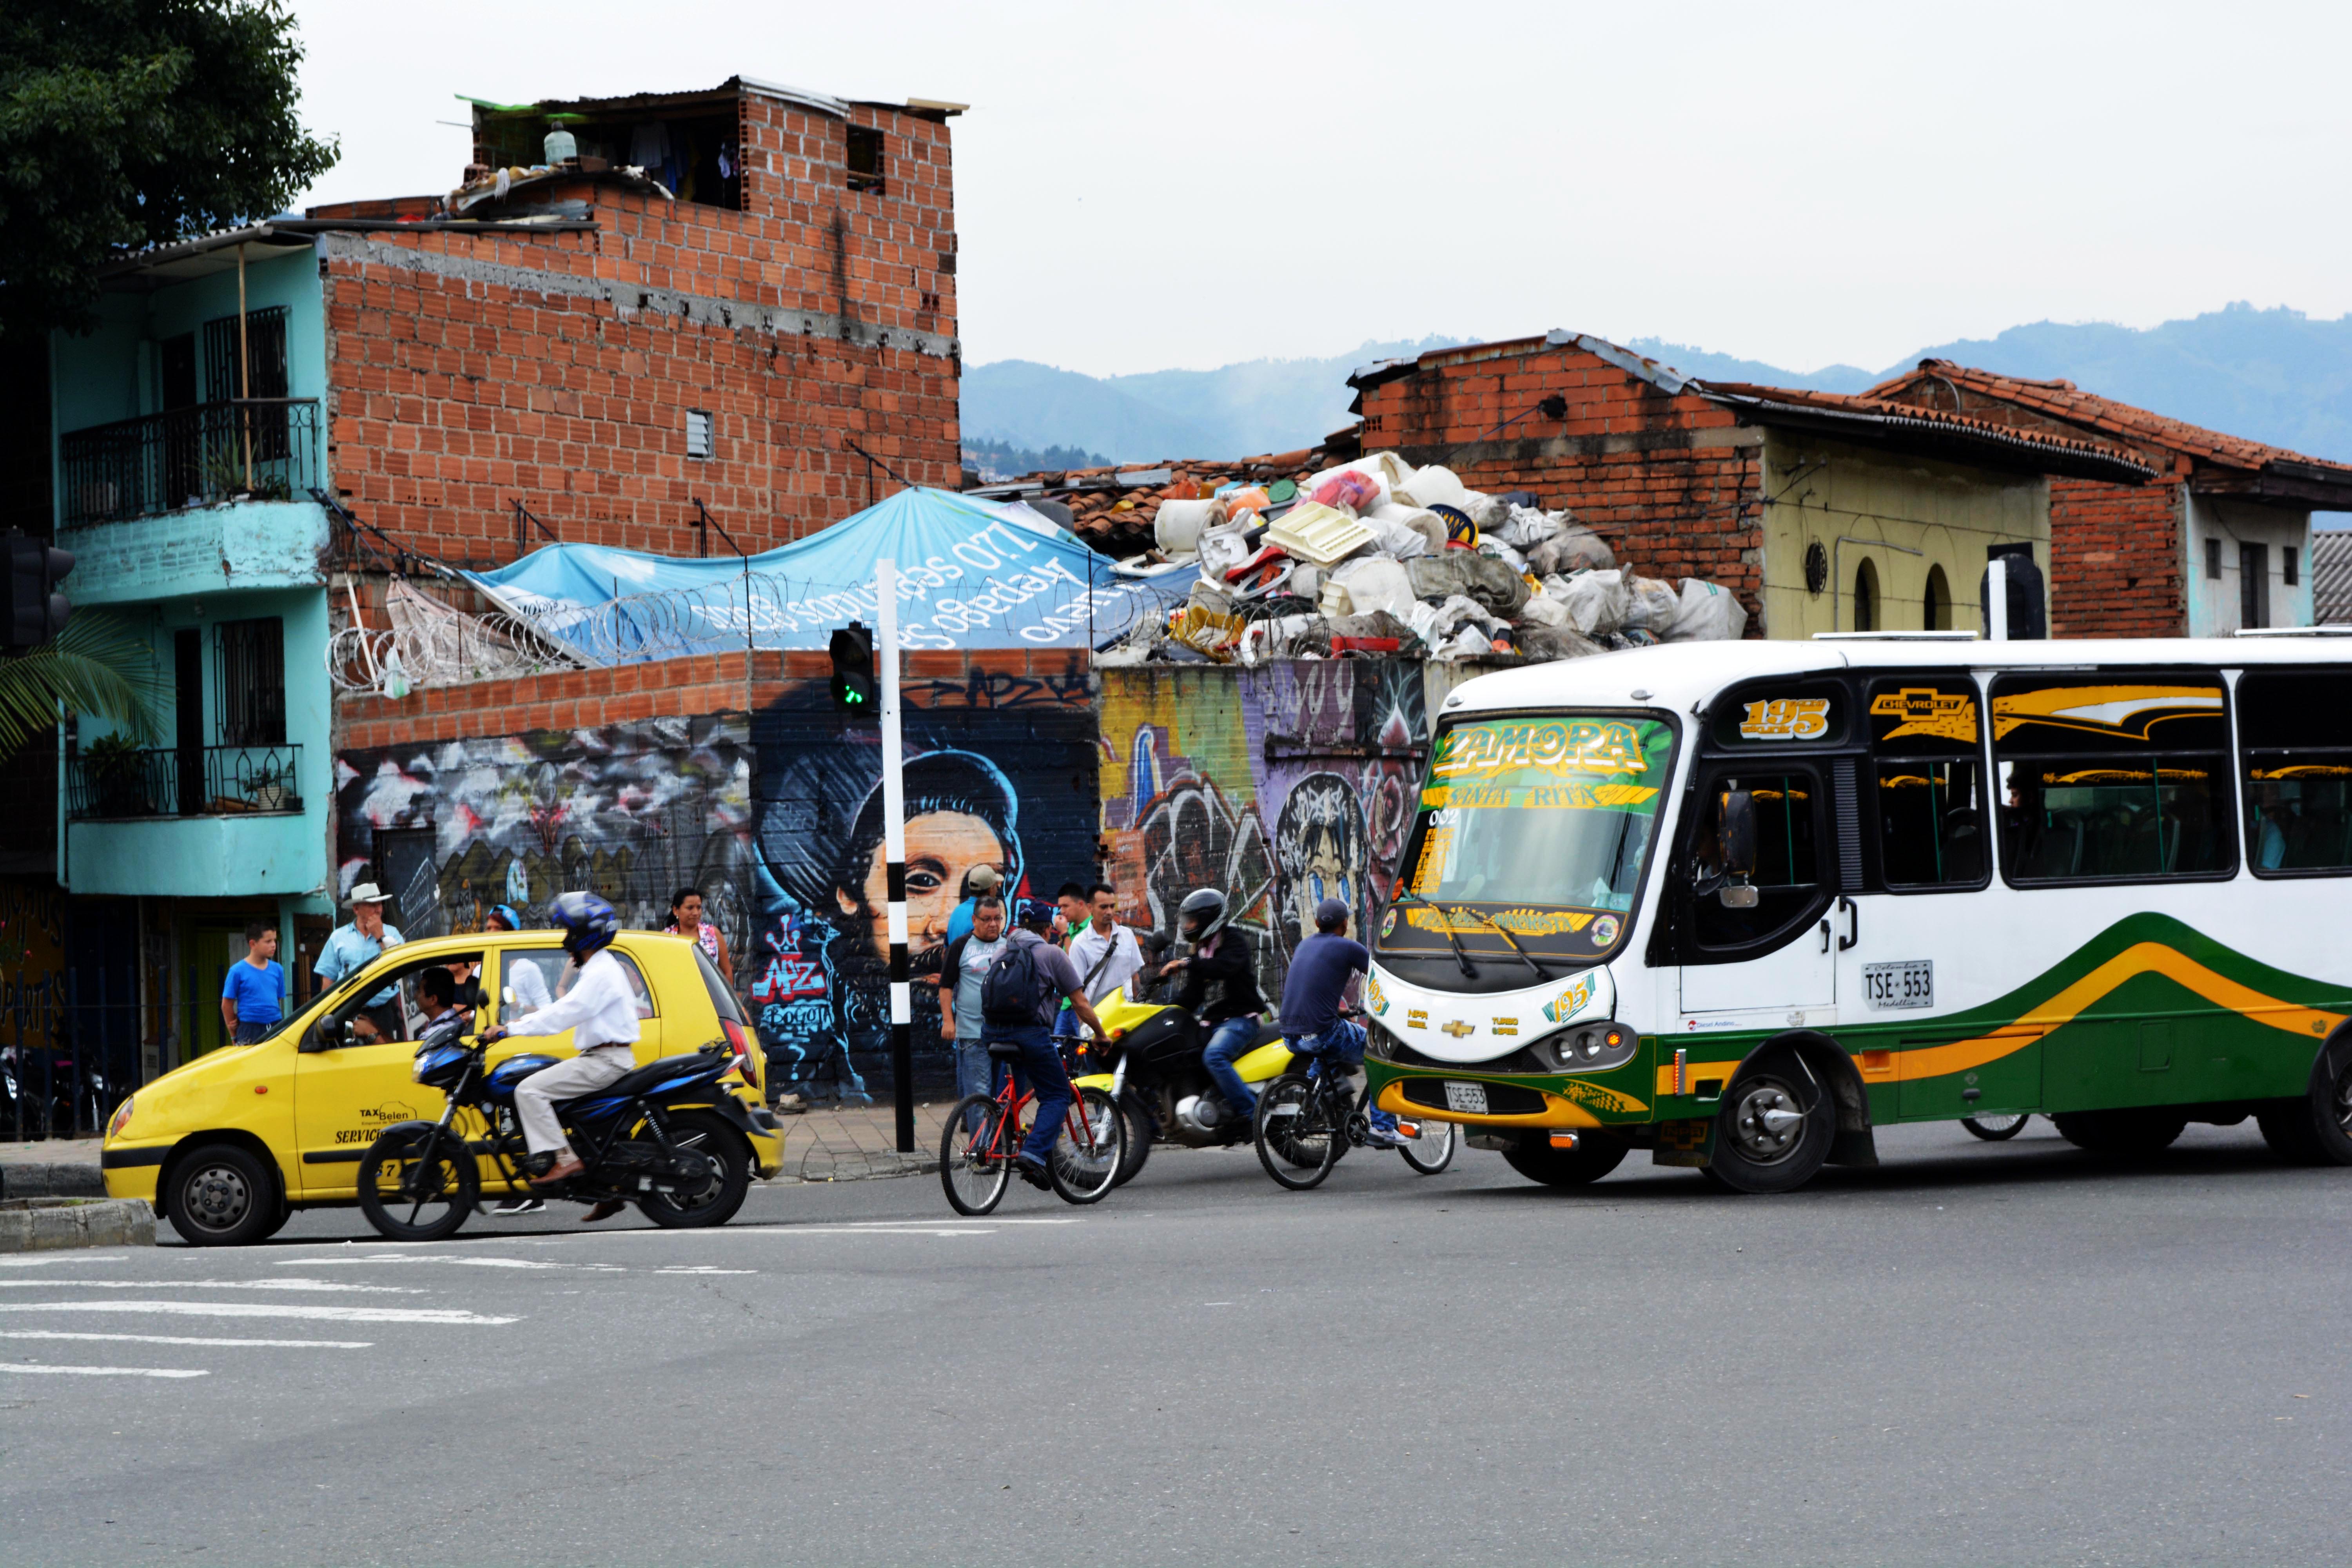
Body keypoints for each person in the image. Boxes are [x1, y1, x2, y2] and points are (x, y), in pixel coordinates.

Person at [478, 891, 638, 1223]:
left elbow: (562, 1014)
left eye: (569, 933)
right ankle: (605, 1188)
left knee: (529, 1090)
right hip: (604, 1057)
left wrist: (510, 1029)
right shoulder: (599, 967)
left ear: (583, 935)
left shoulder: (600, 972)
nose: (565, 941)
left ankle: (564, 1160)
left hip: (605, 1061)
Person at [982, 898, 1106, 1189]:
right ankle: (1033, 1153)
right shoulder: (1052, 954)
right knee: (1057, 1094)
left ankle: (997, 1140)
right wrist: (1100, 1035)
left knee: (1010, 1092)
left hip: (992, 1033)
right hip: (1029, 1034)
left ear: (1019, 927)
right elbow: (1080, 1003)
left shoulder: (1001, 951)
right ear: (1048, 930)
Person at [1272, 897, 1405, 1146]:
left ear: (1316, 923)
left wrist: (1338, 1011)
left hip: (1290, 1035)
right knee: (1380, 1054)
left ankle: (1311, 1102)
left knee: (1328, 1052)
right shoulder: (1348, 948)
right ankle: (1384, 1128)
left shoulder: (1304, 945)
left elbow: (1311, 992)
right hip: (1321, 1033)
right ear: (1345, 924)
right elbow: (1383, 977)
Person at [1163, 888, 1268, 1129]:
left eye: (1192, 921)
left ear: (1209, 920)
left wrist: (1187, 963)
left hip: (1242, 1019)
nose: (1187, 926)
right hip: (1213, 1022)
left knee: (1214, 1056)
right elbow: (1192, 996)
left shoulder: (1233, 941)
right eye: (1187, 921)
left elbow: (1223, 967)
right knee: (1185, 1054)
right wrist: (1163, 1012)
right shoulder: (1200, 950)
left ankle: (1252, 1114)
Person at [936, 894, 1009, 1107]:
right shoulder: (961, 946)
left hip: (1005, 1033)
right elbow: (946, 986)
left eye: (997, 918)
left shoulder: (1009, 946)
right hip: (973, 1034)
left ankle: (993, 1131)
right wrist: (948, 1021)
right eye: (987, 919)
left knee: (1000, 1098)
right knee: (978, 1097)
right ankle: (979, 1132)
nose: (993, 924)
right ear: (975, 920)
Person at [314, 883, 405, 1041]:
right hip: (347, 1010)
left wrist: (380, 936)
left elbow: (400, 965)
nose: (378, 910)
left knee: (384, 1052)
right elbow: (328, 980)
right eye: (372, 905)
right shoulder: (339, 937)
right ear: (357, 909)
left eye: (380, 904)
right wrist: (326, 1013)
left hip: (382, 1011)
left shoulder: (392, 933)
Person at [1063, 882, 1144, 1014]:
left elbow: (1134, 975)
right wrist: (1084, 1024)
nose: (1110, 912)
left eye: (1112, 906)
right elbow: (1077, 993)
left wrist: (1139, 1005)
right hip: (1099, 1015)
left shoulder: (1127, 935)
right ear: (1090, 908)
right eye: (1104, 907)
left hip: (1128, 1011)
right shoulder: (1080, 943)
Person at [220, 922, 287, 1045]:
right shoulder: (237, 971)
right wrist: (234, 1035)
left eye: (274, 940)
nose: (274, 945)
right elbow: (226, 1005)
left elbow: (277, 999)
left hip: (276, 1025)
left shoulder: (278, 969)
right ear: (253, 944)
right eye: (268, 941)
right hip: (249, 1028)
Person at [943, 864, 1004, 947]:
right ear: (991, 889)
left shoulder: (957, 911)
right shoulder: (982, 916)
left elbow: (946, 949)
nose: (997, 890)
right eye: (996, 886)